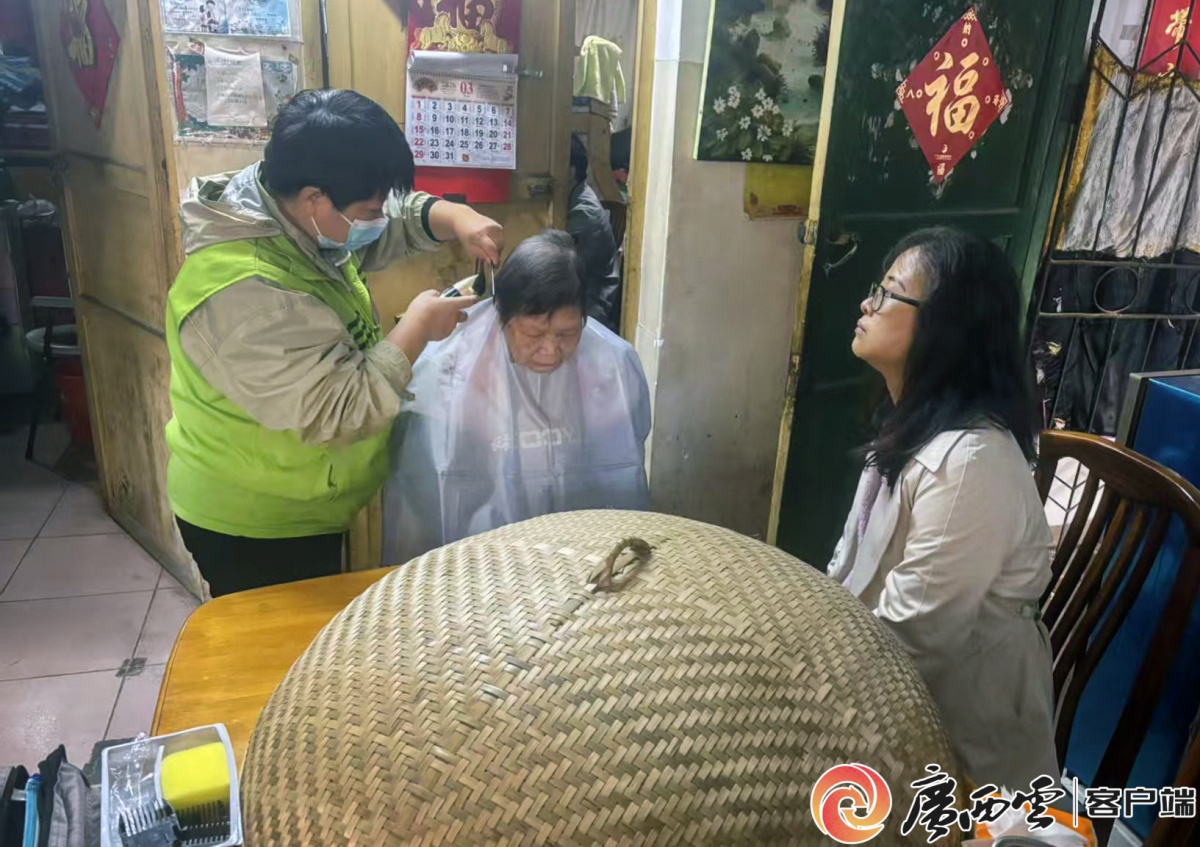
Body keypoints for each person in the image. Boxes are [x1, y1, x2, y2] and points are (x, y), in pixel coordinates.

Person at [165, 89, 503, 598]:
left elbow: (381, 222)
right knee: (282, 643)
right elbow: (341, 409)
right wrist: (415, 329)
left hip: (307, 496)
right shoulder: (247, 295)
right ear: (313, 199)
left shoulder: (285, 212)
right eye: (368, 209)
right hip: (258, 522)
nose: (377, 219)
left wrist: (455, 218)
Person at [827, 227, 1058, 790]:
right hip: (898, 694)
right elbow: (848, 567)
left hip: (962, 746)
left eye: (888, 293)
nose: (867, 305)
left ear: (947, 326)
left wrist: (816, 694)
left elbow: (915, 636)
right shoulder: (912, 423)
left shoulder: (971, 464)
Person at [382, 229, 650, 565]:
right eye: (533, 334)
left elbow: (618, 468)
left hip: (583, 560)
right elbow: (426, 488)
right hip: (479, 559)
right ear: (502, 315)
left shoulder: (612, 367)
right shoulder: (450, 371)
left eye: (567, 333)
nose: (551, 350)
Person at [567, 134, 622, 332]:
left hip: (590, 313)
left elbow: (557, 273)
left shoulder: (584, 214)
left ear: (571, 171)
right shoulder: (575, 194)